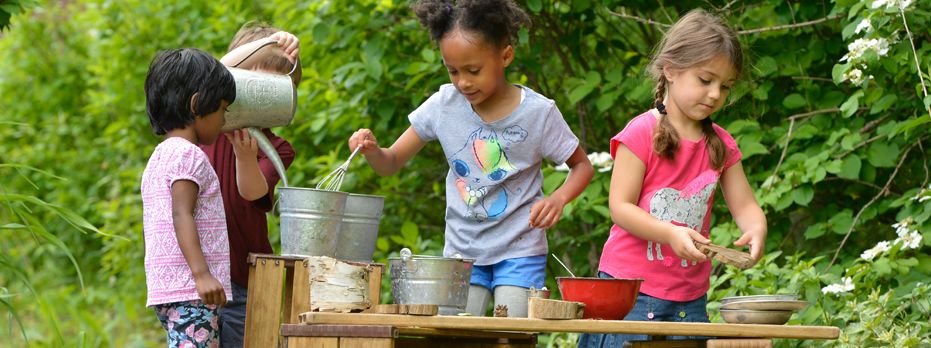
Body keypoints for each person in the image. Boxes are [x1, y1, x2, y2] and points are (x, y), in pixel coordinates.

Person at [348, 0, 595, 318]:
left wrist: (560, 198)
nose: (462, 82)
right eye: (452, 70)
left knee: (514, 335)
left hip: (520, 249)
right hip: (462, 252)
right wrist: (372, 151)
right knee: (458, 336)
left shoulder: (538, 113)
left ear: (505, 56)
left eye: (473, 70)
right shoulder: (443, 105)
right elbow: (391, 162)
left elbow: (582, 166)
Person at [578, 9, 768, 347]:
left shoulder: (721, 143)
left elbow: (746, 206)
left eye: (725, 87)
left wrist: (755, 228)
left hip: (689, 299)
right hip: (630, 293)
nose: (715, 95)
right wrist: (669, 232)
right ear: (670, 70)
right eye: (705, 80)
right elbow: (620, 207)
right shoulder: (641, 132)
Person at [199, 22, 300, 348]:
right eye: (253, 83)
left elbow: (254, 193)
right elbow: (210, 72)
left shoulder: (279, 147)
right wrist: (269, 42)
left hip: (245, 280)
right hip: (200, 275)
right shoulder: (205, 127)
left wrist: (245, 157)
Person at [141, 48, 235, 347]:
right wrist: (202, 274)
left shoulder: (160, 155)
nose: (224, 119)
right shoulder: (188, 155)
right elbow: (182, 213)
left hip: (171, 287)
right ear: (197, 105)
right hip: (192, 290)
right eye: (222, 108)